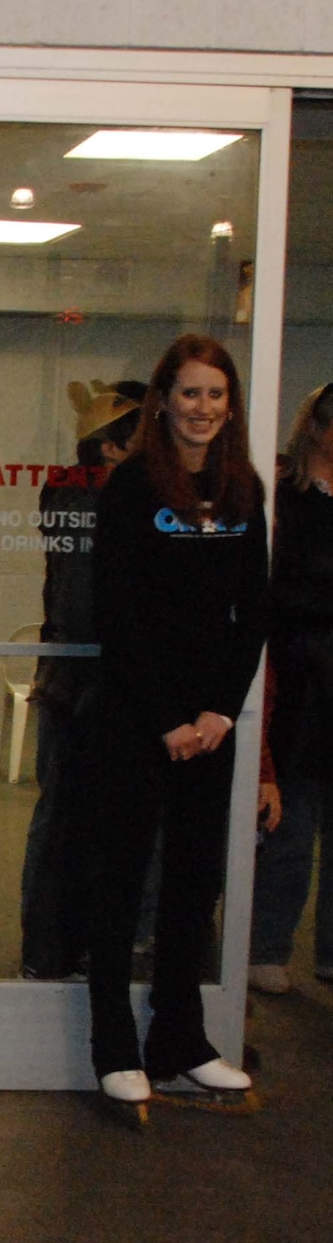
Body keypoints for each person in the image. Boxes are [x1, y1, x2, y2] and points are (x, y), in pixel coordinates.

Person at [85, 334, 267, 1110]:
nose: (203, 408)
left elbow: (252, 610)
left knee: (195, 884)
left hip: (210, 722)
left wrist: (219, 709)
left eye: (215, 394)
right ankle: (114, 1047)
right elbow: (117, 615)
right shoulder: (131, 489)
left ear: (231, 405)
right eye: (189, 393)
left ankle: (180, 1040)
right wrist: (166, 719)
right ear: (163, 400)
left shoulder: (242, 488)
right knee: (120, 879)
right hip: (137, 716)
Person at [20, 380, 145, 979]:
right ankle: (51, 947)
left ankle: (68, 943)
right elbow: (80, 600)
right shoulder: (89, 497)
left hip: (80, 677)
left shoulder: (88, 493)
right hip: (82, 680)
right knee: (67, 815)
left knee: (82, 816)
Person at [249, 383, 333, 993]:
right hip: (300, 681)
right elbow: (270, 593)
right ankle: (266, 947)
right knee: (290, 825)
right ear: (316, 429)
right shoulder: (283, 499)